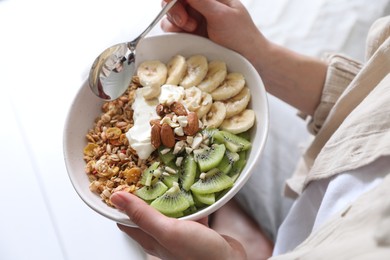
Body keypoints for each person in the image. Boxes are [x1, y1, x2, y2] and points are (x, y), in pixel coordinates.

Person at [110, 0, 390, 259]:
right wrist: (257, 54)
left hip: (305, 227)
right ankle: (247, 230)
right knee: (129, 40)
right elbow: (376, 98)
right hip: (335, 162)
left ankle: (248, 235)